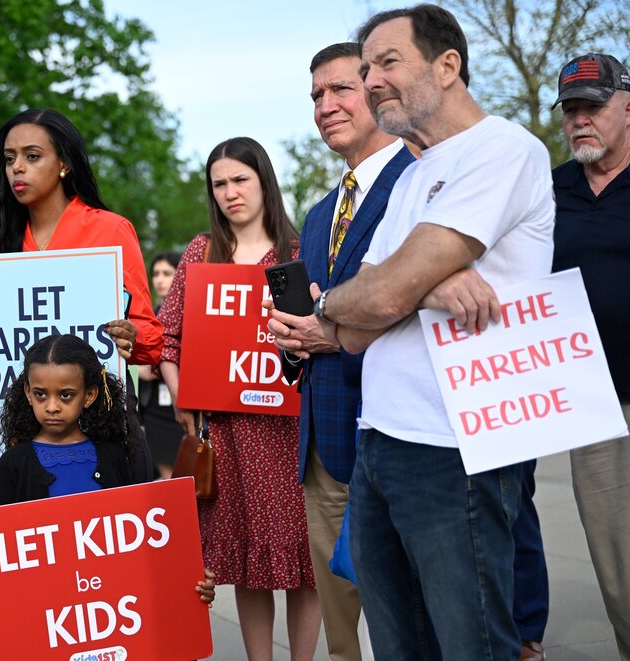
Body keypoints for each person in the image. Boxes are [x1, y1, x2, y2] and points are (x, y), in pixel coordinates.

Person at [307, 5, 555, 658]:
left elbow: (377, 294)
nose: (370, 81)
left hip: (455, 446)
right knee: (399, 647)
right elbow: (354, 334)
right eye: (365, 69)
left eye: (387, 62)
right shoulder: (413, 176)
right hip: (379, 442)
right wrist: (421, 281)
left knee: (471, 644)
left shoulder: (504, 150)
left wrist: (358, 293)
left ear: (448, 66)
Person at [265, 41, 414, 661]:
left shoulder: (420, 182)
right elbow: (316, 320)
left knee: (407, 622)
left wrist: (333, 325)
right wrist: (294, 339)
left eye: (340, 90)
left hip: (402, 439)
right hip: (324, 447)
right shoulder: (322, 210)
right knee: (343, 639)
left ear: (377, 89)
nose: (326, 106)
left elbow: (413, 304)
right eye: (316, 97)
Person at [158, 137, 319, 660]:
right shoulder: (202, 253)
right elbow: (168, 337)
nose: (230, 192)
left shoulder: (299, 251)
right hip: (228, 433)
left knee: (302, 563)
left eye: (240, 180)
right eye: (219, 184)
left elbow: (318, 333)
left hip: (290, 430)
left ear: (263, 181)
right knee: (249, 564)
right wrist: (183, 398)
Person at [0, 333, 214, 654]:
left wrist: (187, 576)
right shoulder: (13, 464)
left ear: (89, 394)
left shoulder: (115, 455)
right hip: (48, 620)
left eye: (66, 395)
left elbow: (144, 544)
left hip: (114, 616)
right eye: (40, 394)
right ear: (27, 392)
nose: (52, 406)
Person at [0, 108, 162, 367]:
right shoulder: (2, 243)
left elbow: (152, 341)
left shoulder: (110, 230)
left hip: (97, 399)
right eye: (9, 159)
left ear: (64, 163)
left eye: (32, 156)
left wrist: (130, 335)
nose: (17, 167)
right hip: (20, 401)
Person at [552, 52, 630, 660]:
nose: (581, 119)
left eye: (594, 105)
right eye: (571, 108)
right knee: (617, 558)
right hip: (595, 403)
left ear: (627, 106)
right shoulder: (547, 191)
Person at [137, 252, 184, 478]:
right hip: (154, 408)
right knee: (167, 477)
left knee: (190, 473)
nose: (160, 280)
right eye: (156, 274)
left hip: (183, 405)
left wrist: (158, 367)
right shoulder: (149, 316)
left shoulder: (192, 313)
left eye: (167, 273)